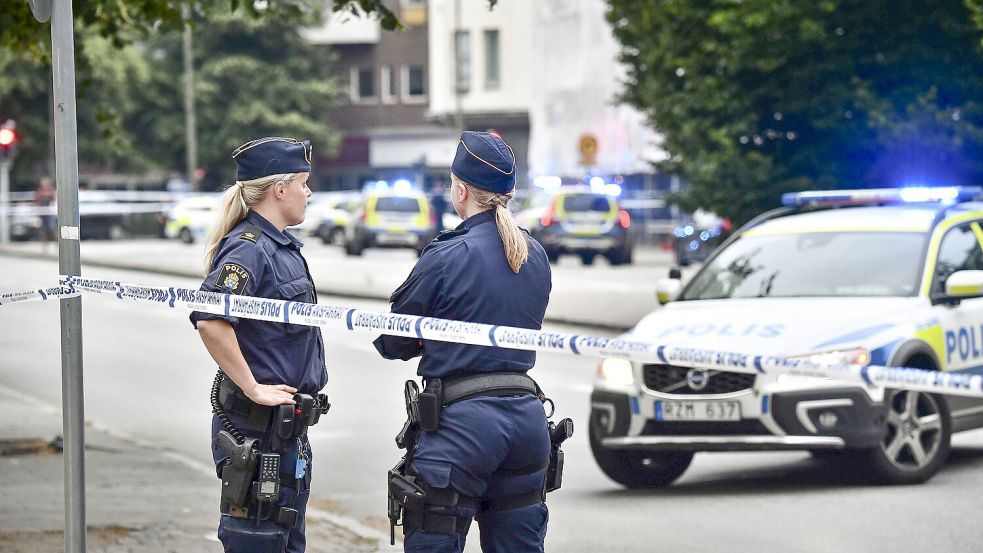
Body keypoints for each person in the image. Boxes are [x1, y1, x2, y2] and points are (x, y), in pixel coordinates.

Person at [375, 131, 557, 553]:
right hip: (528, 424)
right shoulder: (533, 253)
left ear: (460, 190)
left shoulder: (446, 255)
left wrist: (436, 338)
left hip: (462, 429)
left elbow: (393, 341)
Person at [190, 137, 328, 553]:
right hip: (257, 431)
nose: (309, 192)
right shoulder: (249, 248)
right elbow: (211, 319)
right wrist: (252, 387)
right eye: (303, 183)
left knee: (283, 541)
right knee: (261, 541)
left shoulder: (281, 247)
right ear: (279, 188)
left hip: (285, 431)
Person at [34, 177, 56, 250]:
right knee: (43, 231)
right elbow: (37, 202)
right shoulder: (39, 191)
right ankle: (45, 246)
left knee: (52, 229)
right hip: (42, 214)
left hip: (50, 214)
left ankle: (57, 244)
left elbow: (53, 199)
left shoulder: (51, 190)